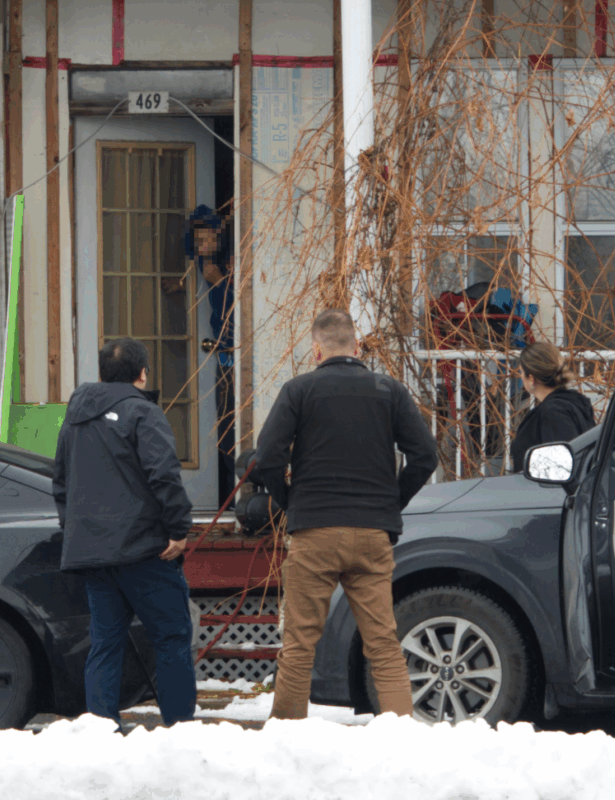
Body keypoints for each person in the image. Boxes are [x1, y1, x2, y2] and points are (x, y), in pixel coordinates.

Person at [255, 309, 438, 720]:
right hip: (373, 534)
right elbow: (425, 456)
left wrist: (290, 500)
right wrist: (390, 502)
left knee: (301, 642)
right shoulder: (389, 390)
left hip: (315, 530)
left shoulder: (299, 390)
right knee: (383, 643)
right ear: (357, 346)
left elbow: (266, 458)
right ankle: (399, 735)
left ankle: (285, 739)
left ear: (316, 349)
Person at [52, 337, 196, 727]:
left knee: (105, 642)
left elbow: (61, 481)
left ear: (101, 374)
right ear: (142, 373)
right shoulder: (143, 413)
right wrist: (179, 530)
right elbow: (164, 476)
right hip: (146, 549)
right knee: (170, 638)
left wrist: (77, 531)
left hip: (93, 552)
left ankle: (101, 726)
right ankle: (180, 728)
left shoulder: (76, 415)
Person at [186, 204, 236, 502]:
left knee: (230, 423)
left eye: (208, 240)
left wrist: (219, 281)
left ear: (220, 236)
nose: (203, 247)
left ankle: (232, 491)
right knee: (222, 424)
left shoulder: (229, 265)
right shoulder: (204, 260)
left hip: (232, 353)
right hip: (220, 354)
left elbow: (242, 303)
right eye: (198, 241)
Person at [510, 341, 596, 472]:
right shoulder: (571, 404)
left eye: (521, 372)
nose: (521, 377)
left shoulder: (553, 412)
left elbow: (562, 469)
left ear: (531, 379)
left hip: (542, 491)